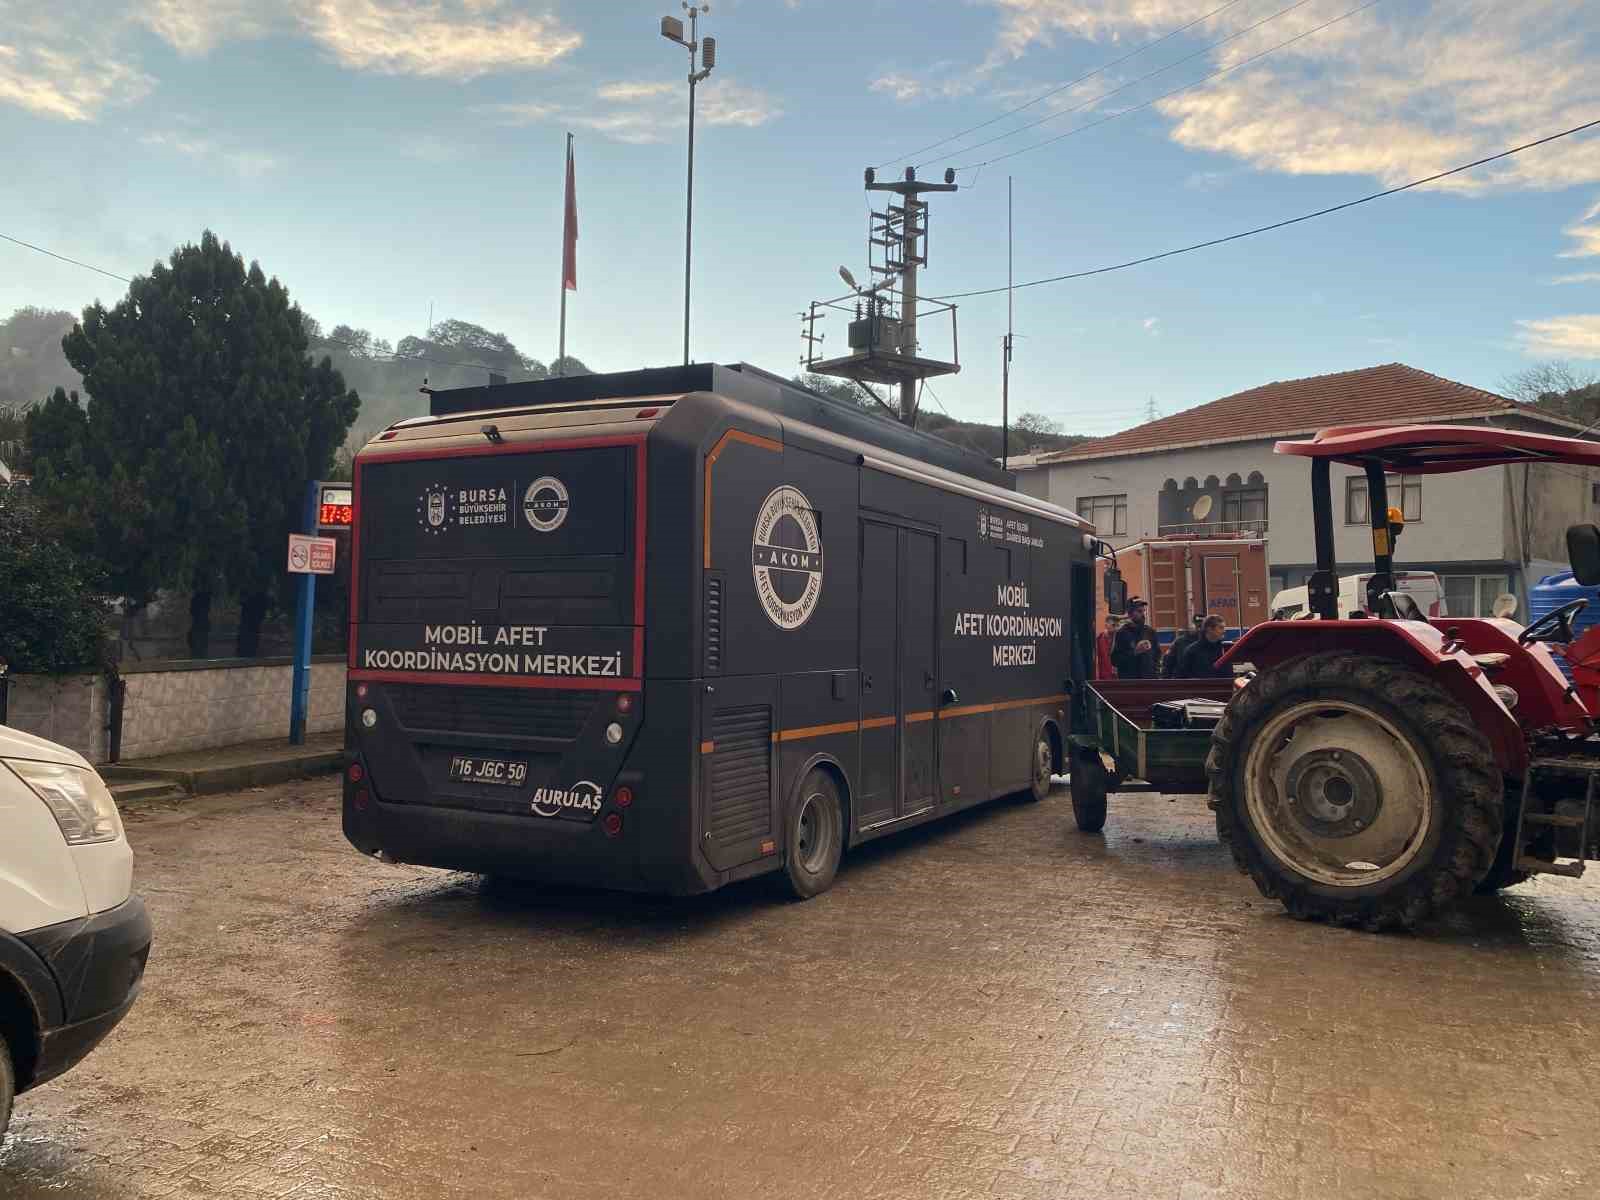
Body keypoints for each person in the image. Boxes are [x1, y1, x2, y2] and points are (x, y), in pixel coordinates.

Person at [1110, 598, 1160, 678]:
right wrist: (1135, 652)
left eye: (1144, 611)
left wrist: (1156, 674)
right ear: (1130, 614)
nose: (1143, 614)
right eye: (1139, 611)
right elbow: (1114, 660)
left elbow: (1157, 656)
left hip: (1149, 681)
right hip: (1130, 681)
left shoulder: (1150, 632)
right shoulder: (1122, 633)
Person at [1163, 613, 1206, 679]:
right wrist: (1167, 680)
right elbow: (1168, 663)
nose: (1199, 629)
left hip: (1203, 681)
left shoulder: (1210, 642)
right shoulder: (1180, 642)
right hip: (1184, 681)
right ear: (1192, 625)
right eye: (1197, 625)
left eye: (1201, 626)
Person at [1095, 614, 1119, 679]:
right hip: (1102, 674)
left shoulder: (1118, 638)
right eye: (1113, 625)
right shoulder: (1099, 638)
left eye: (1117, 625)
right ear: (1106, 625)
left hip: (1114, 675)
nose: (1116, 628)